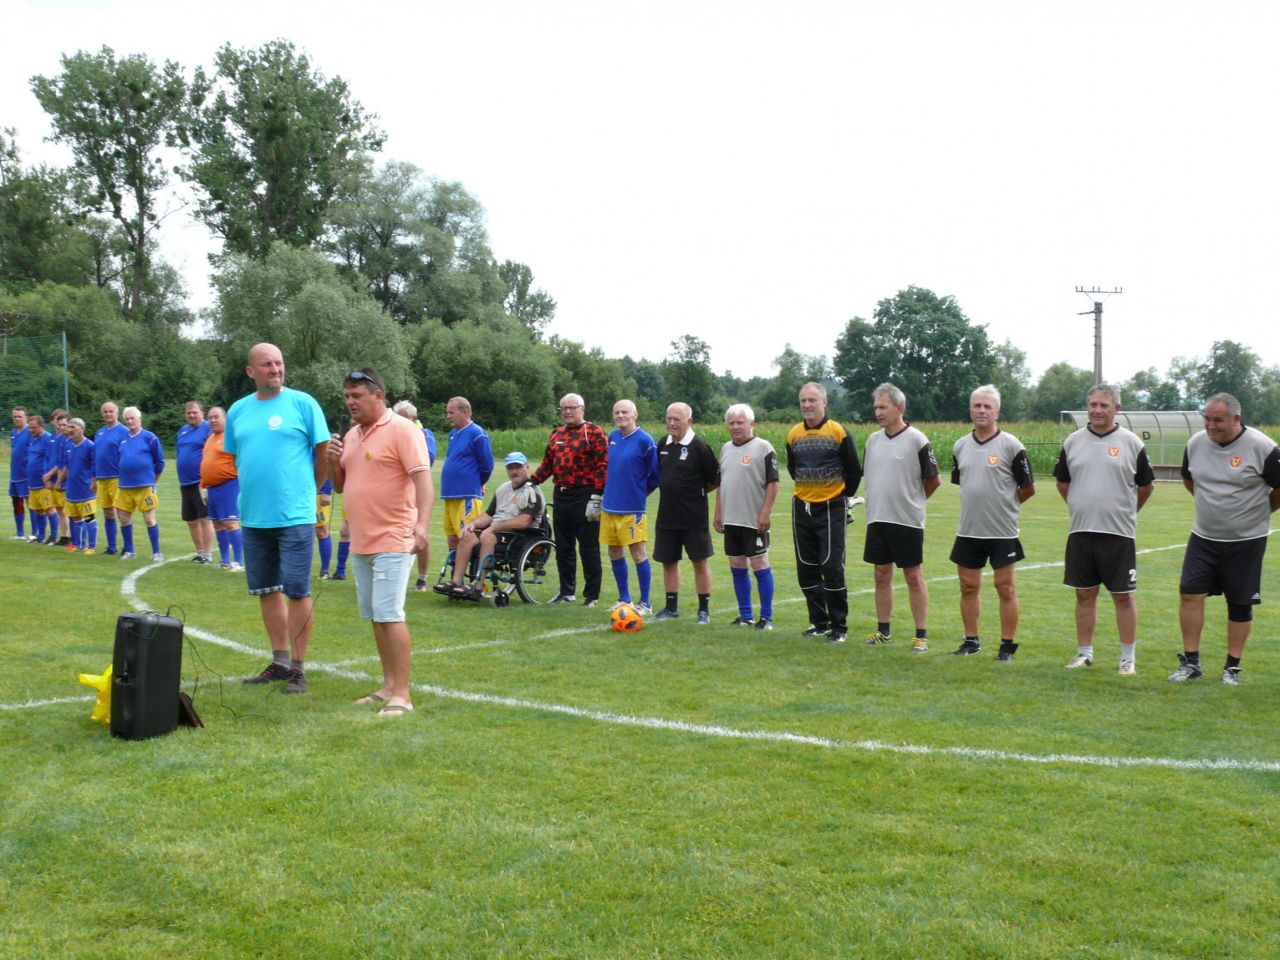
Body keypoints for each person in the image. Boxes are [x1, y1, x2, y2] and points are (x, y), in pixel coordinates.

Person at [224, 342, 330, 695]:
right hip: (254, 517)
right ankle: (280, 661)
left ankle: (298, 668)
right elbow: (238, 457)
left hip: (295, 515)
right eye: (267, 364)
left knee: (297, 590)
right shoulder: (238, 410)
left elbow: (323, 451)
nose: (275, 369)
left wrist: (311, 491)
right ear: (250, 371)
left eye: (279, 363)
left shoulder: (303, 403)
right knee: (266, 590)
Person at [330, 368, 432, 717]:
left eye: (356, 395)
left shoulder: (402, 430)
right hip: (361, 540)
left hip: (394, 536)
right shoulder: (352, 434)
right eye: (347, 396)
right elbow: (341, 484)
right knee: (376, 615)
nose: (350, 402)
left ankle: (402, 694)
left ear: (377, 396)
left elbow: (422, 480)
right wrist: (332, 461)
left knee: (389, 614)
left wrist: (422, 526)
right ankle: (387, 685)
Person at [1167, 393, 1280, 685]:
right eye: (1207, 419)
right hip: (1203, 537)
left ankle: (1232, 668)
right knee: (1189, 593)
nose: (1211, 425)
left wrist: (1257, 513)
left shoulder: (1263, 447)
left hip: (1247, 541)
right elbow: (1189, 479)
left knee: (1240, 603)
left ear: (1236, 419)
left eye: (1217, 420)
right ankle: (1191, 662)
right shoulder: (1195, 444)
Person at [1054, 383, 1154, 675]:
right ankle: (1084, 653)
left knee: (1123, 596)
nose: (1097, 410)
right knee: (1084, 595)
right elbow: (1063, 482)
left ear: (1116, 409)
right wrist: (1080, 505)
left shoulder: (1131, 443)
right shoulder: (1073, 441)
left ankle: (1127, 658)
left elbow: (1146, 486)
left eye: (1104, 405)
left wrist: (1126, 512)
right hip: (1081, 531)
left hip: (1118, 534)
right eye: (1093, 404)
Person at [948, 385, 1035, 661]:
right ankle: (971, 641)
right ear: (970, 410)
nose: (982, 411)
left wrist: (1006, 506)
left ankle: (1007, 646)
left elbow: (1028, 487)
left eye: (987, 406)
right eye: (977, 406)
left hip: (1002, 531)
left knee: (1005, 587)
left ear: (997, 412)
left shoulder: (1011, 445)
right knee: (967, 586)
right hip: (969, 529)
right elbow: (964, 483)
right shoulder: (960, 446)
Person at [862, 383, 940, 651]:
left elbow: (933, 480)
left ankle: (921, 634)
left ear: (900, 407)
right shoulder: (872, 441)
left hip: (906, 520)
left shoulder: (917, 439)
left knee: (913, 575)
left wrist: (913, 502)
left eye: (883, 407)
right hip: (878, 518)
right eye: (876, 407)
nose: (878, 412)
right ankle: (883, 630)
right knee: (881, 573)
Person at [787, 382, 863, 642]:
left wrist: (840, 498)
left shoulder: (838, 432)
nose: (807, 405)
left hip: (831, 507)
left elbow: (854, 471)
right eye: (803, 401)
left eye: (812, 400)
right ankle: (819, 623)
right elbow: (793, 469)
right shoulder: (793, 434)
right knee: (806, 567)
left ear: (824, 402)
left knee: (831, 567)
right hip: (802, 507)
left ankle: (839, 627)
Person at [531, 392, 609, 606]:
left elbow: (603, 465)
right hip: (561, 495)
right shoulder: (556, 434)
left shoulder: (594, 432)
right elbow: (548, 464)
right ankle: (567, 592)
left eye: (572, 408)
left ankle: (591, 595)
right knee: (564, 546)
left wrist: (597, 494)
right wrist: (532, 481)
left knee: (588, 547)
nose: (567, 411)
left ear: (582, 409)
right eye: (564, 408)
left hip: (585, 495)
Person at [652, 402, 721, 623]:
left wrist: (695, 492)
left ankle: (704, 610)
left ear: (689, 421)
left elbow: (715, 479)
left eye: (677, 419)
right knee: (668, 561)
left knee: (699, 562)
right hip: (667, 516)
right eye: (669, 419)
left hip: (693, 517)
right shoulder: (663, 443)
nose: (672, 423)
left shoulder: (699, 446)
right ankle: (671, 608)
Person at [442, 452, 546, 597]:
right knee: (467, 536)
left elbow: (524, 521)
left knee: (488, 537)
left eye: (518, 467)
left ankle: (477, 586)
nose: (514, 471)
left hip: (519, 535)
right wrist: (472, 524)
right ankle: (456, 582)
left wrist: (494, 527)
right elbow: (489, 515)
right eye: (510, 468)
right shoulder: (502, 489)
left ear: (527, 467)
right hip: (496, 530)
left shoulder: (532, 492)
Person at [714, 403, 780, 630]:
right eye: (731, 423)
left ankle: (766, 617)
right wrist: (718, 512)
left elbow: (773, 483)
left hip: (754, 520)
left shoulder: (763, 447)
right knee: (737, 565)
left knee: (759, 565)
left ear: (751, 423)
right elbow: (722, 483)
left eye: (739, 422)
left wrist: (765, 513)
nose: (735, 427)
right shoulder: (725, 449)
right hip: (731, 519)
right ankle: (745, 616)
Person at [602, 399, 660, 615]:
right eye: (617, 412)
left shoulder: (645, 440)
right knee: (614, 552)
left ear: (635, 414)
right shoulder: (612, 437)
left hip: (633, 510)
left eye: (625, 412)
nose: (620, 415)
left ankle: (645, 603)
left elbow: (655, 476)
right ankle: (624, 599)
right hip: (610, 507)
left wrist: (638, 494)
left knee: (638, 554)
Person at [440, 396, 493, 585]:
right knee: (452, 536)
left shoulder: (477, 433)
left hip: (466, 495)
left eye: (451, 412)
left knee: (466, 536)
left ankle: (465, 580)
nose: (448, 416)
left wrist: (477, 483)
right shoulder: (453, 434)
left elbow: (487, 464)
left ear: (465, 412)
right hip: (450, 495)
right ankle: (456, 579)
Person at [392, 399, 438, 592]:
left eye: (404, 419)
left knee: (420, 532)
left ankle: (422, 577)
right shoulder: (392, 432)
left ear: (414, 418)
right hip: (397, 492)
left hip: (416, 491)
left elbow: (429, 459)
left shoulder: (424, 434)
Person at [115, 406, 166, 561]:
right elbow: (119, 459)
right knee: (124, 518)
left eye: (133, 418)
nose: (130, 421)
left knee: (149, 519)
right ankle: (130, 551)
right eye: (127, 419)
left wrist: (152, 481)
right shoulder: (121, 439)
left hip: (144, 486)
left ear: (140, 419)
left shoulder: (150, 437)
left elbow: (160, 462)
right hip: (125, 486)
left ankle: (156, 552)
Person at [200, 406, 244, 572]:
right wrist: (203, 485)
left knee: (230, 523)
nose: (212, 420)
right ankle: (225, 560)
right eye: (210, 417)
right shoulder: (210, 438)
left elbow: (241, 460)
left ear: (225, 419)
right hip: (212, 488)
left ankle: (238, 562)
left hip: (229, 484)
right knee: (217, 523)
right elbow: (206, 462)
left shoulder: (232, 437)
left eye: (216, 417)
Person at [176, 401, 214, 563]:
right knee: (191, 520)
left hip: (201, 482)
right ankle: (200, 552)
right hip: (185, 483)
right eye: (188, 413)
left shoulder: (208, 429)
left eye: (194, 412)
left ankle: (208, 555)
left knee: (204, 518)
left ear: (202, 413)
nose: (191, 415)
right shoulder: (182, 431)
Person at [94, 401, 129, 554]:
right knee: (107, 513)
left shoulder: (124, 431)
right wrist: (94, 477)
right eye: (105, 411)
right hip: (102, 478)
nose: (108, 414)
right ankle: (111, 547)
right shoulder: (99, 432)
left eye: (111, 411)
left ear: (117, 412)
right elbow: (96, 456)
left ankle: (128, 547)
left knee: (122, 513)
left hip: (117, 478)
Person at [61, 417, 98, 553]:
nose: (70, 430)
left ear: (82, 429)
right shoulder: (68, 446)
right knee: (76, 518)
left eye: (73, 427)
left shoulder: (90, 446)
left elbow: (95, 466)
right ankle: (79, 545)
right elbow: (67, 466)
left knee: (89, 517)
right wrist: (59, 481)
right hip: (72, 488)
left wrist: (93, 482)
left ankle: (91, 547)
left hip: (86, 489)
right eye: (69, 427)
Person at [23, 415, 55, 543]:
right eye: (29, 428)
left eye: (34, 428)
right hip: (32, 482)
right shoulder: (32, 440)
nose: (31, 430)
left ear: (41, 426)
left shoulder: (48, 439)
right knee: (38, 510)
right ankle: (41, 537)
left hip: (44, 483)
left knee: (49, 510)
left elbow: (52, 460)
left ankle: (53, 537)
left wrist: (49, 477)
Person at [44, 410, 71, 545]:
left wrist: (50, 475)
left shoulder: (69, 440)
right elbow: (49, 459)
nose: (61, 427)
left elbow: (64, 463)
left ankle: (72, 537)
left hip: (64, 480)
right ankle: (64, 537)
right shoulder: (55, 439)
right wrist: (48, 478)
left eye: (64, 425)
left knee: (68, 510)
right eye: (60, 425)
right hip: (55, 479)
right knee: (60, 509)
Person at [9, 406, 30, 540]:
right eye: (15, 417)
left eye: (20, 417)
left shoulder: (30, 432)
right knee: (16, 503)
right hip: (14, 475)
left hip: (26, 475)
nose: (17, 419)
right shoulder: (13, 433)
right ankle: (20, 533)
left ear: (26, 417)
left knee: (31, 504)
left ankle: (35, 534)